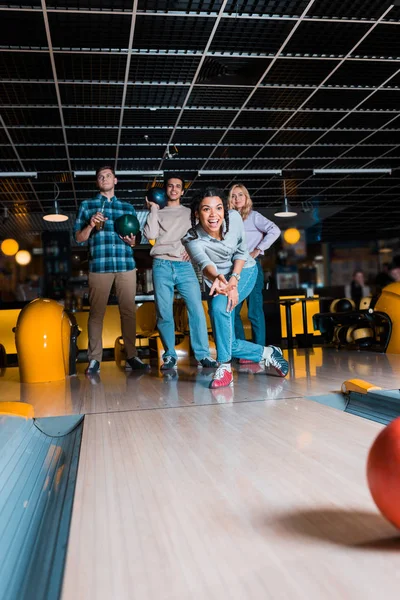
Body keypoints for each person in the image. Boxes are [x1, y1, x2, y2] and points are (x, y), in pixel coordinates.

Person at [183, 187, 289, 389]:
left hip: (245, 271)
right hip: (217, 281)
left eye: (218, 208)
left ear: (224, 210)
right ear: (197, 213)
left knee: (218, 308)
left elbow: (241, 252)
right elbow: (206, 265)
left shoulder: (234, 218)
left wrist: (234, 281)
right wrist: (220, 279)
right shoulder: (191, 238)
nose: (214, 215)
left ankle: (224, 368)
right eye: (206, 209)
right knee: (226, 340)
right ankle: (268, 353)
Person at [74, 165, 149, 375]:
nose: (104, 178)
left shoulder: (127, 207)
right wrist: (90, 225)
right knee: (97, 313)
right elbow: (78, 239)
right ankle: (94, 359)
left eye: (108, 176)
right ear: (97, 182)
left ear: (115, 180)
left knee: (128, 312)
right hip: (99, 266)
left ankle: (132, 356)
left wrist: (133, 242)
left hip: (126, 265)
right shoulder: (87, 205)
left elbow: (137, 240)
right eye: (100, 176)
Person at [143, 174, 217, 371]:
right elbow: (150, 235)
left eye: (178, 186)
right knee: (164, 313)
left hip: (185, 267)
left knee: (196, 310)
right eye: (170, 186)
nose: (174, 189)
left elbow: (202, 233)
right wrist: (152, 209)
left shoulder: (190, 213)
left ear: (182, 191)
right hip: (161, 264)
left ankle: (203, 355)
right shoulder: (158, 211)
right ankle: (169, 356)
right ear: (165, 189)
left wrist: (190, 250)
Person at [228, 183, 281, 347]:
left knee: (254, 312)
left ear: (246, 198)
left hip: (251, 268)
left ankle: (260, 351)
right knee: (232, 311)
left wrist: (258, 249)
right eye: (233, 195)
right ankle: (243, 349)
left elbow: (275, 230)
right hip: (233, 269)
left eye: (240, 195)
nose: (237, 198)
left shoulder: (253, 216)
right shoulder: (227, 219)